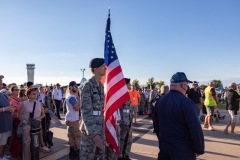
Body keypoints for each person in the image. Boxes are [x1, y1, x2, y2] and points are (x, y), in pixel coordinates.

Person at [155, 72, 204, 160]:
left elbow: (156, 124)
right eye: (187, 84)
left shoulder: (160, 100)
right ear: (183, 85)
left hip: (164, 148)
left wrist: (162, 140)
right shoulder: (187, 103)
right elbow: (195, 128)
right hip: (183, 151)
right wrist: (199, 148)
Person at [80, 58, 106, 160]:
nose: (105, 68)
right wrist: (93, 133)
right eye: (103, 66)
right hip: (90, 129)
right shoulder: (88, 85)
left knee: (99, 155)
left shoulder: (100, 86)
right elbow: (86, 111)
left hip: (100, 126)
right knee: (87, 155)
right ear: (95, 69)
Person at [65, 81, 81, 158]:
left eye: (77, 87)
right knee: (77, 137)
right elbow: (77, 108)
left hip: (70, 119)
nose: (77, 88)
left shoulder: (70, 96)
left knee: (71, 136)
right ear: (70, 87)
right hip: (73, 119)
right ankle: (78, 151)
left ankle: (72, 151)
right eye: (75, 86)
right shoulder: (72, 97)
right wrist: (78, 99)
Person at [119, 78, 133, 160]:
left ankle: (126, 155)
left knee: (128, 140)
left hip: (127, 121)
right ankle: (121, 156)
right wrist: (126, 124)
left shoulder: (125, 94)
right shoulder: (123, 95)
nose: (130, 85)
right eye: (129, 84)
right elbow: (124, 111)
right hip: (125, 123)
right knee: (123, 140)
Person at [0, 88, 15, 160]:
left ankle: (2, 155)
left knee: (3, 142)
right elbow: (4, 109)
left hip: (5, 123)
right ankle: (1, 157)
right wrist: (5, 109)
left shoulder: (1, 96)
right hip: (2, 124)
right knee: (2, 142)